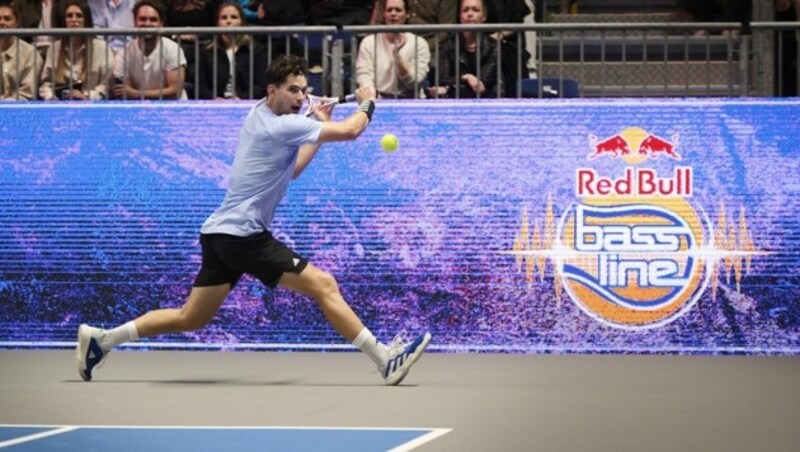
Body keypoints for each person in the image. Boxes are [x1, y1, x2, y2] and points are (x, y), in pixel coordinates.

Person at [76, 54, 432, 385]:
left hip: (220, 234)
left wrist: (316, 126)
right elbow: (352, 130)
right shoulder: (282, 127)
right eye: (293, 89)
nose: (300, 96)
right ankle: (385, 359)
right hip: (243, 236)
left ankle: (102, 340)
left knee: (191, 317)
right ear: (272, 90)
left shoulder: (263, 115)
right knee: (324, 285)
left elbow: (291, 171)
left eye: (304, 91)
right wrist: (368, 101)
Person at [112, 0, 187, 100]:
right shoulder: (123, 55)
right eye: (142, 19)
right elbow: (126, 93)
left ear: (161, 24)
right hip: (139, 109)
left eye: (153, 20)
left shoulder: (173, 49)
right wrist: (135, 94)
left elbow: (175, 91)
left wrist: (138, 93)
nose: (147, 24)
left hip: (172, 108)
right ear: (135, 23)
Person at [355, 0, 430, 99]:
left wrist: (397, 57)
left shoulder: (419, 43)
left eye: (398, 10)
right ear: (384, 14)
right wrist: (373, 96)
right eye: (389, 10)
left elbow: (415, 82)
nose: (393, 14)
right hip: (378, 99)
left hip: (410, 100)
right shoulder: (369, 42)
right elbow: (364, 76)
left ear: (407, 14)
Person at [39, 0, 112, 100]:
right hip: (60, 104)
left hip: (90, 105)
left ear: (86, 20)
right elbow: (46, 84)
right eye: (69, 16)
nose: (74, 20)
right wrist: (51, 97)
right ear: (64, 21)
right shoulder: (54, 48)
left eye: (79, 16)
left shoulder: (101, 47)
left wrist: (86, 95)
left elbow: (106, 85)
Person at [427, 0, 501, 98]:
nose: (470, 14)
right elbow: (442, 79)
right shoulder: (448, 44)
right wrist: (466, 77)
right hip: (453, 101)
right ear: (460, 16)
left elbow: (481, 85)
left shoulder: (493, 46)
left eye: (475, 10)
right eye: (465, 10)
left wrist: (449, 89)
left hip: (484, 100)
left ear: (484, 16)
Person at [196, 2, 267, 100]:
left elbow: (261, 86)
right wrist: (214, 99)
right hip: (215, 103)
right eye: (224, 18)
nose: (229, 21)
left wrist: (240, 98)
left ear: (242, 22)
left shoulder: (257, 50)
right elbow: (201, 87)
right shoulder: (206, 51)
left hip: (246, 102)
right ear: (218, 23)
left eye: (234, 17)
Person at [370, 0, 457, 52]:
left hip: (431, 47)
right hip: (394, 42)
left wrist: (421, 47)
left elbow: (446, 31)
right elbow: (379, 23)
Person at [0, 2, 42, 100]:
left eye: (7, 19)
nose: (2, 23)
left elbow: (27, 93)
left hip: (18, 110)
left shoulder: (30, 53)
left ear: (17, 23)